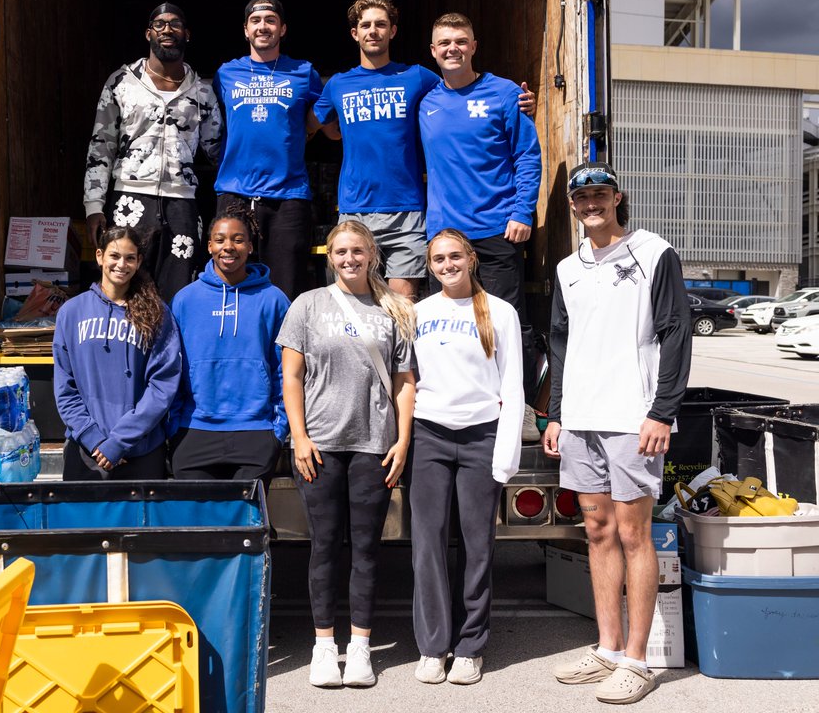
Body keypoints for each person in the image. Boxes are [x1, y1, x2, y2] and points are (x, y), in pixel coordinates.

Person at [542, 161, 691, 705]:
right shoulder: (567, 267)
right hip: (581, 418)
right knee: (597, 531)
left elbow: (676, 334)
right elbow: (560, 342)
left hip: (633, 417)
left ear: (617, 197)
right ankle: (606, 649)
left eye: (599, 195)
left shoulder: (654, 252)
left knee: (634, 534)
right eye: (581, 199)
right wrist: (555, 412)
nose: (590, 205)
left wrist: (662, 410)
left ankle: (637, 660)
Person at [310, 0, 534, 302]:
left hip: (409, 211)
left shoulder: (418, 78)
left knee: (405, 307)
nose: (373, 31)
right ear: (354, 33)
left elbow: (459, 88)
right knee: (354, 306)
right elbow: (312, 125)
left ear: (393, 31)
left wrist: (517, 104)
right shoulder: (337, 84)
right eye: (366, 25)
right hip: (355, 208)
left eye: (380, 24)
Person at [277, 220, 416, 688]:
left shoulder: (393, 308)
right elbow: (291, 377)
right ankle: (323, 647)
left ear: (372, 254)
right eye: (340, 252)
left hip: (373, 444)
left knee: (366, 550)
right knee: (322, 547)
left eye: (357, 250)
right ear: (329, 257)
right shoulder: (307, 305)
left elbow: (404, 382)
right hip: (319, 444)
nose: (349, 259)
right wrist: (299, 436)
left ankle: (359, 647)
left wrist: (402, 439)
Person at [409, 229, 523, 687]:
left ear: (471, 259)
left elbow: (512, 385)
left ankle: (471, 646)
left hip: (481, 437)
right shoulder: (418, 312)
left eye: (455, 256)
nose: (447, 265)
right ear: (429, 265)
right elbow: (407, 381)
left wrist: (505, 457)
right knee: (427, 545)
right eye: (438, 259)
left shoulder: (501, 312)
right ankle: (433, 646)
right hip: (429, 435)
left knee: (477, 546)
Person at [420, 13, 543, 435]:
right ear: (433, 51)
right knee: (451, 327)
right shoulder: (426, 99)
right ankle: (457, 410)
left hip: (496, 229)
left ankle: (520, 408)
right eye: (443, 43)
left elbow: (527, 154)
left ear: (474, 45)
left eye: (460, 41)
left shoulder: (506, 93)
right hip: (445, 237)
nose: (452, 48)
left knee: (509, 323)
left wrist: (522, 212)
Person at [83, 3, 223, 300]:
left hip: (181, 204)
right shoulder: (121, 82)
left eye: (175, 24)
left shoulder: (202, 92)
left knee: (181, 287)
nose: (168, 30)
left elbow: (219, 151)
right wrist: (94, 205)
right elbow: (101, 146)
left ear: (187, 34)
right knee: (126, 286)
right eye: (160, 25)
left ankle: (170, 347)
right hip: (129, 200)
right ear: (148, 34)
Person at [213, 0, 328, 300]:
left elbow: (323, 117)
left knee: (285, 290)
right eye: (256, 21)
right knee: (231, 287)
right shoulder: (226, 74)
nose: (263, 26)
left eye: (270, 20)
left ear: (283, 28)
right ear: (245, 30)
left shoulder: (304, 73)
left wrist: (306, 130)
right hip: (235, 193)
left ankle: (284, 350)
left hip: (288, 196)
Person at [169, 202, 290, 486]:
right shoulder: (185, 300)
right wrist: (173, 425)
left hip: (256, 431)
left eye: (238, 240)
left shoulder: (274, 300)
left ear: (250, 246)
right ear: (209, 245)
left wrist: (278, 428)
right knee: (198, 525)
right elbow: (171, 366)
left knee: (247, 526)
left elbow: (285, 368)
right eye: (220, 240)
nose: (229, 247)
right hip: (193, 428)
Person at [53, 226, 183, 480]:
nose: (121, 264)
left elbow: (163, 385)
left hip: (142, 450)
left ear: (139, 262)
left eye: (130, 258)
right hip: (86, 450)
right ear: (100, 256)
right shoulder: (71, 312)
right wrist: (95, 440)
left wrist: (119, 441)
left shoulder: (157, 313)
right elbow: (64, 388)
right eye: (114, 256)